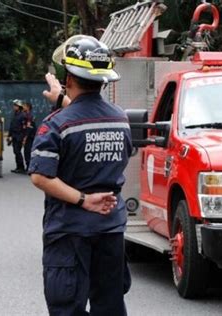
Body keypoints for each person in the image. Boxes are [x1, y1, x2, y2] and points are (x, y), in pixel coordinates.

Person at [29, 36, 133, 315]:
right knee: (109, 305)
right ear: (102, 80)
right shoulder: (119, 119)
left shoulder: (56, 125)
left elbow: (40, 176)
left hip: (70, 230)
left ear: (68, 79)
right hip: (110, 228)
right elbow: (88, 117)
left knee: (67, 308)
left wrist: (83, 199)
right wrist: (62, 100)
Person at [7, 99, 27, 174]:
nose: (14, 107)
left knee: (17, 151)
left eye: (15, 105)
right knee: (15, 151)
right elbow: (12, 126)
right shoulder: (15, 114)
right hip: (14, 136)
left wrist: (23, 137)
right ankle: (18, 167)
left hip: (19, 136)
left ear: (19, 107)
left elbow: (24, 128)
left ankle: (21, 167)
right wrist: (9, 135)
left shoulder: (23, 115)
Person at [22, 102, 37, 171]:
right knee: (27, 151)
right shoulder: (26, 115)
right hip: (29, 136)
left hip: (30, 137)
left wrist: (25, 138)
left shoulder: (29, 116)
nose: (23, 107)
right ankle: (28, 166)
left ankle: (30, 167)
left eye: (24, 106)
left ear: (28, 107)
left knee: (28, 151)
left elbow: (29, 128)